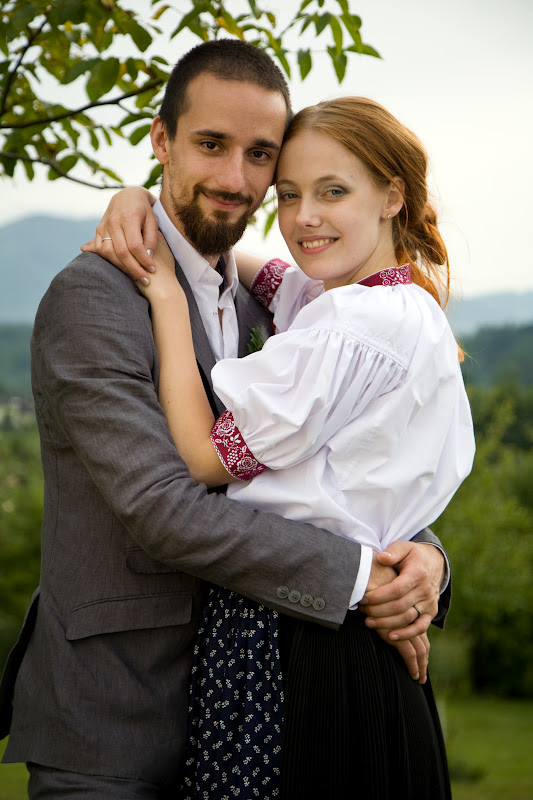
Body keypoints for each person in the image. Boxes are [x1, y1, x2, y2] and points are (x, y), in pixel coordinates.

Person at [0, 41, 450, 799]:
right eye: (211, 144)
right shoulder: (94, 298)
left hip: (252, 703)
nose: (236, 179)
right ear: (161, 139)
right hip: (116, 718)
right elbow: (164, 506)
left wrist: (425, 559)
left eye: (260, 154)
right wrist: (357, 576)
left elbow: (338, 455)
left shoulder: (268, 301)